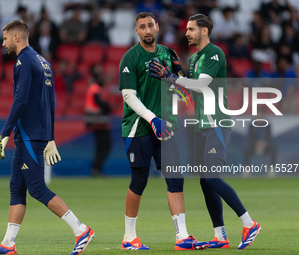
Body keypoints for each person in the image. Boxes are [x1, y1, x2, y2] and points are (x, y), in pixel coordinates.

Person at [0, 20, 94, 255]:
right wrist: (50, 137)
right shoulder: (44, 62)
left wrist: (4, 133)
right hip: (35, 134)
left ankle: (81, 230)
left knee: (37, 188)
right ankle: (8, 244)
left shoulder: (23, 62)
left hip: (29, 135)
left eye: (4, 39)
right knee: (16, 188)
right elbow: (51, 102)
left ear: (16, 38)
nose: (2, 44)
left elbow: (20, 100)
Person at [149, 13, 261, 250]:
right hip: (201, 125)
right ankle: (220, 236)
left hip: (216, 123)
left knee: (212, 177)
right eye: (187, 29)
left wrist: (172, 77)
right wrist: (175, 76)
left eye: (191, 29)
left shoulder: (213, 53)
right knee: (204, 182)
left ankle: (249, 223)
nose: (187, 33)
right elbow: (191, 90)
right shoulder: (197, 57)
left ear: (204, 31)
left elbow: (201, 85)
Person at [119, 12, 208, 251]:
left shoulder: (169, 54)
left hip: (166, 127)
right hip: (139, 128)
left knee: (175, 180)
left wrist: (172, 79)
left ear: (157, 27)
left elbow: (184, 92)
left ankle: (182, 237)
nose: (147, 30)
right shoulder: (130, 58)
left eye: (151, 25)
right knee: (139, 180)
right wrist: (152, 119)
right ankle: (129, 238)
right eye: (142, 27)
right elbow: (128, 96)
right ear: (136, 31)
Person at [84, 64, 111, 176]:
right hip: (96, 119)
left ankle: (96, 168)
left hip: (98, 120)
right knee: (105, 145)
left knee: (102, 146)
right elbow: (101, 103)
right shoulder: (95, 88)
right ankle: (96, 168)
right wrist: (107, 107)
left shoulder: (98, 88)